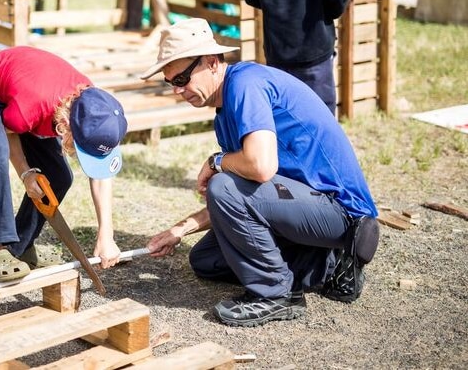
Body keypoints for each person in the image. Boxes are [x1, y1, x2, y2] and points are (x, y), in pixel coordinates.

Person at [141, 18, 379, 327]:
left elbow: (260, 167)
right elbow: (247, 196)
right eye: (171, 81)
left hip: (343, 215)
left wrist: (216, 161)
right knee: (206, 261)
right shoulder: (223, 111)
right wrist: (181, 230)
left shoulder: (245, 83)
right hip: (306, 208)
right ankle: (324, 266)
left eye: (183, 77)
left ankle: (277, 295)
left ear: (212, 63)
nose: (178, 90)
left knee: (222, 185)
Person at [0, 46, 127, 282]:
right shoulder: (30, 109)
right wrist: (26, 173)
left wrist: (106, 235)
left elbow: (101, 176)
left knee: (58, 177)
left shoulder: (97, 111)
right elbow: (9, 131)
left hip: (28, 96)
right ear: (66, 123)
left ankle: (20, 248)